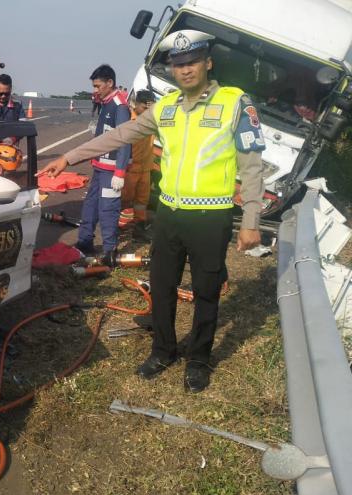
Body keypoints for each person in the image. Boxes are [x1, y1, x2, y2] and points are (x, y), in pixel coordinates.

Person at [38, 30, 265, 392]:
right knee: (162, 287)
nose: (185, 70)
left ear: (208, 63)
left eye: (192, 62)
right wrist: (69, 156)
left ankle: (199, 361)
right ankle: (163, 351)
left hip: (212, 217)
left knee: (206, 292)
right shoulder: (167, 107)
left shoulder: (235, 103)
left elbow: (253, 167)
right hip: (170, 216)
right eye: (178, 65)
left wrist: (251, 221)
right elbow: (120, 135)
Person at [69, 64, 131, 258]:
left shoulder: (120, 106)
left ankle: (109, 251)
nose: (95, 90)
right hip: (100, 167)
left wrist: (120, 172)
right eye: (94, 86)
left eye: (98, 86)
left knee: (108, 210)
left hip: (111, 171)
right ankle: (85, 242)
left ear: (109, 83)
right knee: (90, 206)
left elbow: (125, 139)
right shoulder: (106, 103)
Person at [118, 89, 156, 236]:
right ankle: (114, 228)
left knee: (142, 201)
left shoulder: (152, 121)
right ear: (137, 104)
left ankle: (139, 229)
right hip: (130, 170)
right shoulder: (127, 120)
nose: (147, 111)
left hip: (145, 169)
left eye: (150, 108)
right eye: (144, 107)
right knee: (123, 200)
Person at [0, 73, 25, 146]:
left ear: (11, 89)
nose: (3, 96)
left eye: (6, 94)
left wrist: (13, 139)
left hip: (10, 152)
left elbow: (23, 126)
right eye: (0, 93)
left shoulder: (18, 105)